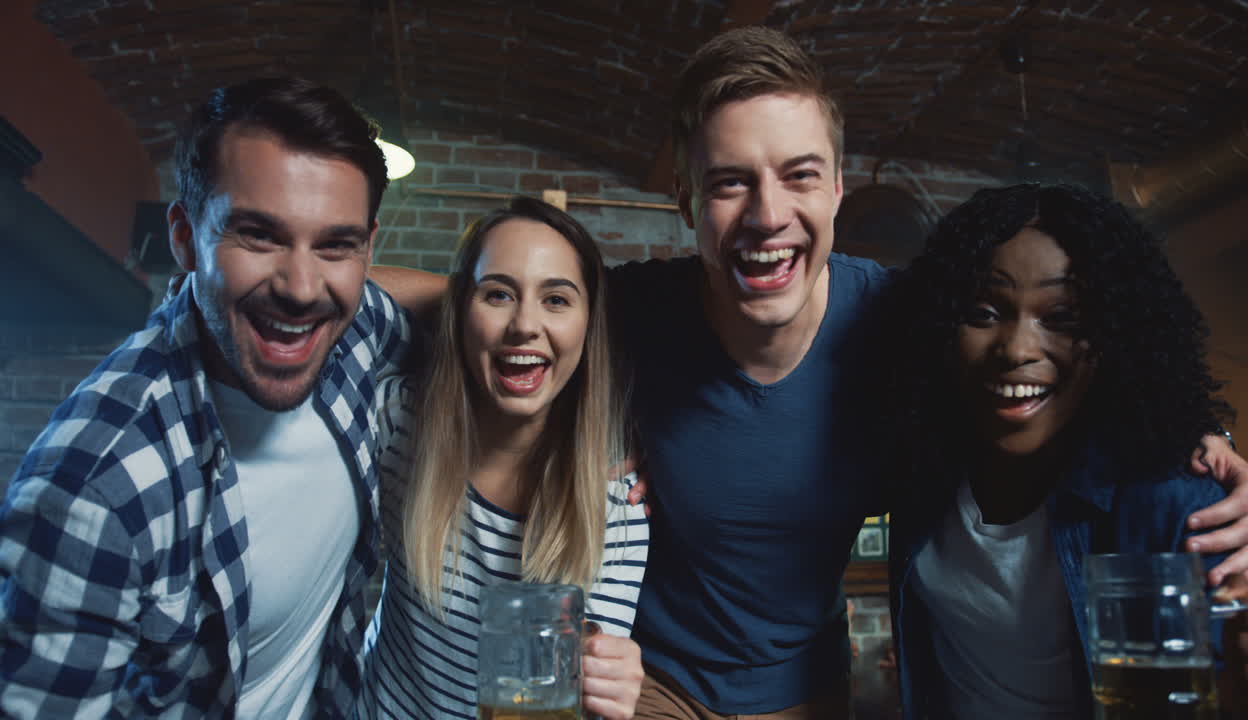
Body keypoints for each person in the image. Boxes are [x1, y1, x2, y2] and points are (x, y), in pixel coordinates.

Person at [368, 26, 1248, 719]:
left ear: (835, 190)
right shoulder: (631, 314)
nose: (768, 215)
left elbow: (1051, 379)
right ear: (686, 200)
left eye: (798, 176)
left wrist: (1199, 446)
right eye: (729, 183)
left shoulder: (909, 328)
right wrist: (322, 284)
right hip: (652, 687)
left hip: (809, 692)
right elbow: (483, 305)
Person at [0, 76, 415, 718]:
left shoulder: (356, 326)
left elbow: (472, 312)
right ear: (184, 236)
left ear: (366, 250)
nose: (300, 287)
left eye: (333, 245)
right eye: (259, 235)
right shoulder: (93, 491)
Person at [886, 183, 1240, 718]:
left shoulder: (1174, 502)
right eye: (983, 312)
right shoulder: (917, 460)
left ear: (1119, 336)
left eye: (1062, 318)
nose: (1017, 349)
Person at [356, 197, 647, 719]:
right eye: (498, 295)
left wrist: (606, 687)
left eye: (556, 299)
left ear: (589, 326)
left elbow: (563, 698)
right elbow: (325, 288)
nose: (524, 326)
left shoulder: (616, 506)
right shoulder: (401, 422)